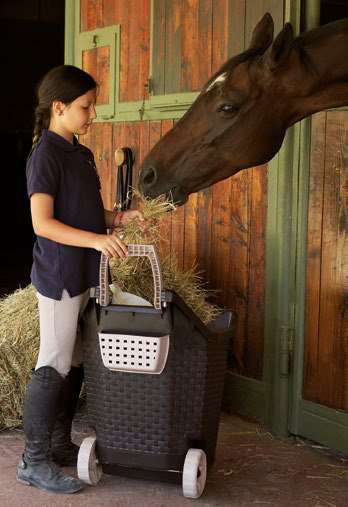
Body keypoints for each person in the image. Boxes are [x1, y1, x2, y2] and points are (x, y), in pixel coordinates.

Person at [17, 65, 150, 494]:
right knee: (52, 362)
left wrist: (120, 219)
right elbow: (43, 224)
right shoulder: (45, 155)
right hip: (59, 275)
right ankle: (31, 461)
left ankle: (57, 446)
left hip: (85, 272)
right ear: (59, 107)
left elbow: (90, 215)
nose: (93, 114)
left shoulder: (82, 154)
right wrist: (95, 239)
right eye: (86, 106)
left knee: (73, 361)